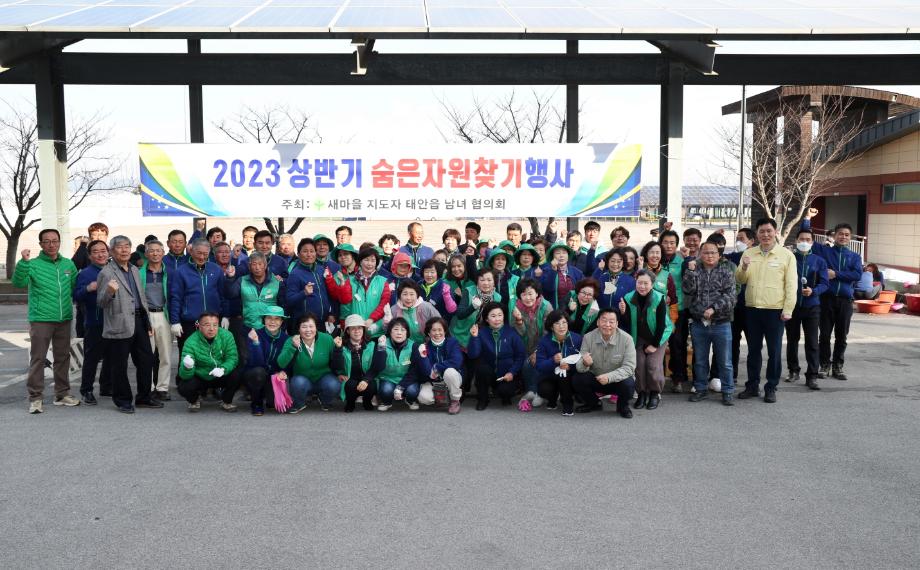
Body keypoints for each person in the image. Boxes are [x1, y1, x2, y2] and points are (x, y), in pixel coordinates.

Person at [12, 229, 80, 414]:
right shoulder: (32, 264)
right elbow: (18, 282)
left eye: (55, 241)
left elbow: (76, 287)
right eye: (47, 241)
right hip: (41, 319)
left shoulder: (68, 264)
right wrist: (24, 263)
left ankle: (62, 394)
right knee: (38, 358)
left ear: (59, 242)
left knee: (62, 358)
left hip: (64, 318)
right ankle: (35, 397)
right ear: (41, 244)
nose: (52, 244)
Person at [96, 235, 163, 414]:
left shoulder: (134, 269)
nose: (124, 250)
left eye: (127, 246)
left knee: (146, 360)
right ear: (112, 251)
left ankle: (144, 397)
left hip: (140, 320)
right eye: (120, 247)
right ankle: (123, 400)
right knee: (120, 365)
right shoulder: (106, 272)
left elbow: (141, 298)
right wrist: (109, 291)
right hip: (119, 323)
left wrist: (147, 321)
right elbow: (101, 302)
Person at [735, 218, 798, 403]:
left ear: (776, 232)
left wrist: (788, 309)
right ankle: (752, 386)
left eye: (769, 231)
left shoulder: (786, 255)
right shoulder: (749, 253)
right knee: (753, 351)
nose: (765, 235)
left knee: (774, 351)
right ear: (757, 233)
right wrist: (745, 266)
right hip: (753, 309)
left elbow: (791, 285)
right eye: (762, 231)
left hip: (775, 311)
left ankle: (771, 387)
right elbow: (740, 279)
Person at [802, 208, 862, 381]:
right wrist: (807, 219)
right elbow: (807, 237)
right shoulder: (825, 251)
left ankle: (838, 366)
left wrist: (836, 274)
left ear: (850, 238)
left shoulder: (855, 257)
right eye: (840, 234)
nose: (843, 237)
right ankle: (824, 364)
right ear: (834, 236)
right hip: (826, 299)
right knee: (825, 335)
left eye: (847, 235)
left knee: (842, 336)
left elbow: (857, 275)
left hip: (845, 300)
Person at [682, 242, 737, 405]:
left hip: (721, 323)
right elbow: (687, 290)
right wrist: (690, 272)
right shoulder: (694, 269)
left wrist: (714, 308)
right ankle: (700, 389)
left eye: (713, 253)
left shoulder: (726, 272)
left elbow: (731, 297)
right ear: (700, 254)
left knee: (725, 360)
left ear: (719, 255)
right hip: (699, 323)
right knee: (700, 359)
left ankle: (727, 391)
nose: (709, 256)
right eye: (705, 253)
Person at [618, 270, 673, 410]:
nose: (642, 286)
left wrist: (655, 345)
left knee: (652, 364)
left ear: (652, 284)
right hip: (639, 337)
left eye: (646, 283)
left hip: (658, 336)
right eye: (639, 283)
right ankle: (642, 393)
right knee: (639, 364)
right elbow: (629, 322)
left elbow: (661, 325)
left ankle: (654, 393)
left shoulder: (659, 298)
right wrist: (623, 312)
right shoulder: (629, 297)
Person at [785, 226, 829, 390]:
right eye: (801, 239)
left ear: (812, 242)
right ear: (796, 241)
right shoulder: (789, 258)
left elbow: (825, 283)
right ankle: (793, 370)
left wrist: (814, 291)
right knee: (792, 340)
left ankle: (812, 375)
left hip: (812, 307)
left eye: (807, 240)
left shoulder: (819, 261)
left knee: (812, 342)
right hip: (793, 306)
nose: (804, 242)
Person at [572, 308, 636, 418]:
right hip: (597, 379)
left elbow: (629, 367)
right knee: (578, 378)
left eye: (611, 321)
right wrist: (585, 363)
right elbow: (579, 366)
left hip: (617, 381)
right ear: (597, 322)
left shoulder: (627, 339)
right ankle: (593, 403)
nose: (607, 324)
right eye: (604, 320)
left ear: (616, 324)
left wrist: (609, 377)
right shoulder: (588, 337)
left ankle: (622, 406)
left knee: (629, 383)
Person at [168, 237, 227, 358]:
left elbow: (223, 295)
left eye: (205, 254)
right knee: (188, 357)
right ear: (191, 251)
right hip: (189, 323)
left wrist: (225, 315)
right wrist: (175, 321)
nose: (201, 257)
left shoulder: (216, 270)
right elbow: (175, 298)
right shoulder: (181, 272)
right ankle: (185, 377)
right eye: (199, 253)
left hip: (212, 323)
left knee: (213, 356)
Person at [177, 311, 241, 412]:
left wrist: (223, 369)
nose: (211, 328)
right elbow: (184, 376)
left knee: (237, 374)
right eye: (207, 325)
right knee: (183, 387)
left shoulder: (227, 335)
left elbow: (232, 358)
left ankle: (226, 401)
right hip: (201, 376)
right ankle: (194, 400)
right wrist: (187, 367)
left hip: (220, 374)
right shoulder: (190, 341)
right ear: (199, 326)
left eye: (215, 325)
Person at [467, 302, 525, 411]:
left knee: (505, 391)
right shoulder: (482, 333)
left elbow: (520, 356)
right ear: (487, 319)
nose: (497, 319)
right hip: (489, 373)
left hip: (506, 375)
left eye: (500, 315)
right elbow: (473, 354)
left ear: (504, 316)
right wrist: (474, 338)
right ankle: (483, 399)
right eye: (493, 316)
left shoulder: (511, 333)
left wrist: (512, 372)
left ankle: (504, 395)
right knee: (482, 369)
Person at [75, 239, 112, 404]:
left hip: (113, 321)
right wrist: (88, 288)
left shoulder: (114, 270)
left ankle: (106, 386)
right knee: (92, 358)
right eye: (96, 251)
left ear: (108, 252)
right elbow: (76, 296)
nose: (100, 254)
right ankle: (86, 390)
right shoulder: (85, 273)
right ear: (90, 256)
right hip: (95, 321)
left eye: (103, 250)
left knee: (112, 357)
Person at [278, 314, 339, 413]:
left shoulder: (327, 339)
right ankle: (299, 403)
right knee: (297, 383)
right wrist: (293, 347)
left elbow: (337, 359)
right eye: (304, 327)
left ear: (316, 327)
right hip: (302, 379)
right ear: (298, 329)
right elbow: (281, 363)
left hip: (323, 377)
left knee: (333, 385)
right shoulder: (291, 340)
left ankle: (324, 400)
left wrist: (341, 373)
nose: (308, 330)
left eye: (311, 326)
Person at [139, 239, 173, 400]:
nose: (155, 253)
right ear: (146, 254)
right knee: (147, 354)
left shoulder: (170, 272)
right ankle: (149, 387)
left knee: (166, 354)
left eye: (158, 250)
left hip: (164, 315)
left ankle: (162, 388)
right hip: (147, 316)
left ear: (163, 253)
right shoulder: (139, 273)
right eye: (151, 250)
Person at [511, 278, 553, 408]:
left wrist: (537, 351)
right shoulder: (516, 307)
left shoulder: (546, 306)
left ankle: (537, 392)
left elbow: (548, 332)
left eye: (530, 293)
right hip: (524, 345)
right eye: (524, 294)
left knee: (533, 362)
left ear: (537, 293)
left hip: (543, 346)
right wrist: (519, 321)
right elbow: (520, 334)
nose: (528, 297)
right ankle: (531, 391)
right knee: (525, 363)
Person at [242, 306, 290, 415]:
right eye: (269, 318)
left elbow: (288, 361)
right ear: (264, 320)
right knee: (259, 372)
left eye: (277, 319)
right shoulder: (256, 334)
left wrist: (283, 371)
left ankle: (266, 396)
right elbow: (255, 362)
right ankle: (256, 403)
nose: (272, 322)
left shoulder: (286, 338)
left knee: (273, 404)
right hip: (255, 373)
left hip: (273, 376)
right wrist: (256, 343)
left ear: (282, 321)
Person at [365, 318, 419, 411]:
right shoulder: (382, 343)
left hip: (407, 379)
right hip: (388, 378)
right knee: (386, 390)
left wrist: (401, 386)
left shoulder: (414, 346)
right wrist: (381, 348)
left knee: (412, 391)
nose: (399, 333)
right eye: (396, 329)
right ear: (390, 331)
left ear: (407, 333)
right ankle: (387, 402)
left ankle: (410, 400)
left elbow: (415, 370)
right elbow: (378, 366)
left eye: (403, 330)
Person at [411, 318, 463, 414]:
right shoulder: (425, 346)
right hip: (433, 381)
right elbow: (426, 372)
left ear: (445, 331)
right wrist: (423, 357)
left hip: (452, 378)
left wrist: (436, 367)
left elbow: (456, 361)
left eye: (440, 330)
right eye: (434, 330)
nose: (437, 333)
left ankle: (455, 400)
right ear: (429, 333)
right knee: (423, 398)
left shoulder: (452, 342)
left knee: (449, 372)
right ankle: (444, 397)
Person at [534, 310, 582, 416]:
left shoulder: (577, 339)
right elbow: (539, 365)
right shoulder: (544, 341)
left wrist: (570, 366)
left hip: (570, 376)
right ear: (551, 327)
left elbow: (582, 360)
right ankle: (552, 399)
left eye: (564, 322)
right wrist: (553, 361)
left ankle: (567, 403)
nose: (561, 326)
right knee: (544, 389)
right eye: (557, 323)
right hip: (551, 376)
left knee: (565, 375)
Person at [659, 229, 688, 392]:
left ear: (677, 245)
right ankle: (659, 377)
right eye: (665, 242)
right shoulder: (656, 259)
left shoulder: (682, 260)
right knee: (658, 342)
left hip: (678, 309)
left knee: (677, 344)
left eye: (672, 243)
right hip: (657, 309)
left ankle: (678, 378)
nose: (669, 245)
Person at [285, 238, 334, 333]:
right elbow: (289, 300)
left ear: (316, 253)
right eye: (305, 251)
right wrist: (304, 293)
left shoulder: (320, 270)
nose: (309, 254)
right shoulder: (295, 274)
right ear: (298, 254)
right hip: (305, 325)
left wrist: (331, 313)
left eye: (312, 251)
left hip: (322, 322)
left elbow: (327, 294)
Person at [725, 227, 754, 385]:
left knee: (753, 344)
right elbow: (717, 255)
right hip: (734, 308)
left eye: (742, 239)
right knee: (733, 343)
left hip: (751, 308)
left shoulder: (757, 257)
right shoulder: (732, 258)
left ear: (751, 241)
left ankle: (752, 378)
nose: (738, 242)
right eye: (737, 238)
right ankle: (733, 375)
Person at [332, 314, 375, 413]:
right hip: (350, 378)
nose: (357, 331)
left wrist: (366, 380)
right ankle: (350, 403)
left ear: (363, 329)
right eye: (353, 329)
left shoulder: (371, 344)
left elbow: (375, 366)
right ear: (347, 331)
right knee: (350, 385)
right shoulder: (341, 345)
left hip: (366, 377)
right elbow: (337, 366)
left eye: (359, 328)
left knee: (371, 385)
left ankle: (367, 401)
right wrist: (338, 349)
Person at [541, 243, 584, 309]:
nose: (561, 256)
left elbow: (583, 290)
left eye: (564, 253)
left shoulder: (577, 272)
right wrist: (553, 271)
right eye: (558, 253)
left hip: (573, 310)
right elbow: (548, 289)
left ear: (568, 255)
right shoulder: (545, 271)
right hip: (553, 311)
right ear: (553, 256)